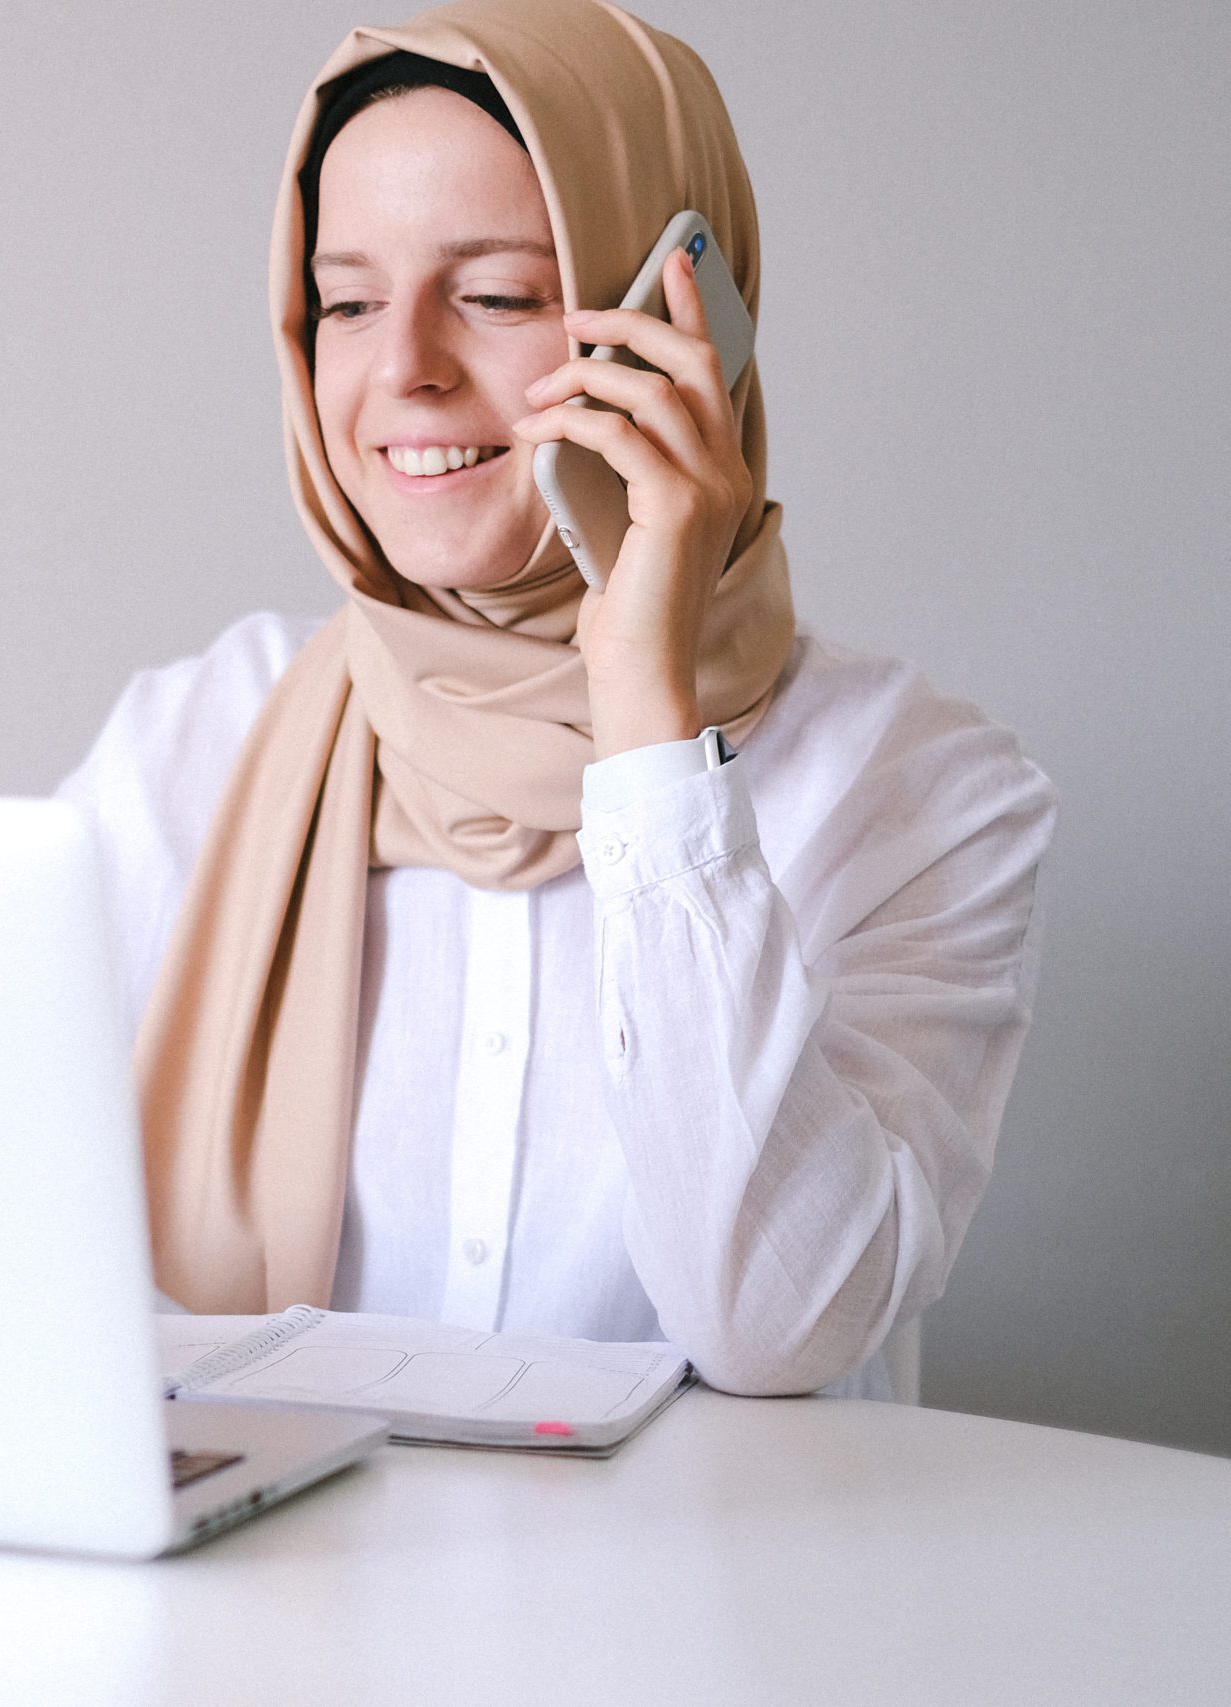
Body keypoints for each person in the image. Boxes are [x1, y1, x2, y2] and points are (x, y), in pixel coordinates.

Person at [59, 0, 1056, 1398]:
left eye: (501, 293)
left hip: (720, 1616)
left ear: (680, 321)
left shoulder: (924, 793)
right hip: (272, 1613)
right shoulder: (188, 745)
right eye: (346, 301)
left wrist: (645, 704)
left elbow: (778, 1326)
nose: (401, 362)